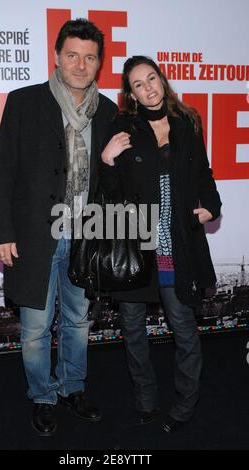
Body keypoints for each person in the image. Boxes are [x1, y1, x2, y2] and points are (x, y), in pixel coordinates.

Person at [0, 18, 117, 437]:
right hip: (33, 237)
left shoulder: (110, 111)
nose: (81, 65)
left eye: (90, 57)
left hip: (86, 234)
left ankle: (72, 387)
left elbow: (113, 179)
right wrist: (2, 233)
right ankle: (42, 396)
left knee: (79, 321)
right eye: (72, 55)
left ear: (99, 62)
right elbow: (3, 170)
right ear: (57, 57)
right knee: (36, 328)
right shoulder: (25, 102)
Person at [100, 55, 222, 432]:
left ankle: (185, 404)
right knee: (134, 330)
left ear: (161, 79)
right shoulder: (123, 128)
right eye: (139, 84)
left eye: (152, 78)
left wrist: (212, 205)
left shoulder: (187, 122)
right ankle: (146, 400)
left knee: (184, 328)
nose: (149, 87)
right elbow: (111, 195)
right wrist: (106, 160)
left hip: (178, 247)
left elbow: (203, 172)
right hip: (138, 250)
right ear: (131, 94)